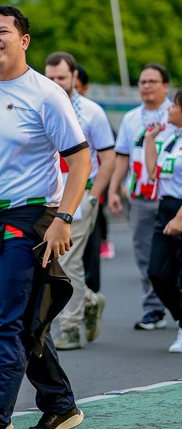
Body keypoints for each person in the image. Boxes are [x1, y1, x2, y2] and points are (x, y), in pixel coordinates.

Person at [0, 5, 90, 429]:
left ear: (24, 40)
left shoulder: (46, 94)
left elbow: (80, 160)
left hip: (27, 220)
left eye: (2, 32)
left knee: (6, 323)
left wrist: (63, 218)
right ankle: (60, 402)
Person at [44, 53, 115, 350]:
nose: (56, 83)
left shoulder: (92, 112)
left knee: (69, 259)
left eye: (61, 77)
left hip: (80, 195)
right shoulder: (39, 104)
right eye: (50, 78)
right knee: (48, 261)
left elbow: (108, 157)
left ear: (74, 77)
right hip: (46, 197)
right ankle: (89, 300)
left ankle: (70, 327)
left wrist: (93, 196)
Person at [108, 63, 173, 330]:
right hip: (140, 198)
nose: (146, 86)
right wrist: (113, 189)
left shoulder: (175, 114)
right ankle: (153, 309)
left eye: (152, 82)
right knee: (145, 255)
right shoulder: (131, 118)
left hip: (171, 196)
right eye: (142, 82)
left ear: (165, 86)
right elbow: (122, 157)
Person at [144, 89, 182, 352]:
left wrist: (180, 217)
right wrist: (150, 140)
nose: (169, 109)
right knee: (157, 273)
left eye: (174, 106)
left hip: (180, 210)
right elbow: (152, 172)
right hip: (165, 210)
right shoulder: (172, 138)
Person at [75, 65, 115, 261]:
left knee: (97, 216)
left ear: (84, 88)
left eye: (77, 86)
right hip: (61, 185)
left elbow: (110, 153)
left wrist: (96, 192)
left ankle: (103, 240)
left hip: (92, 179)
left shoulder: (93, 112)